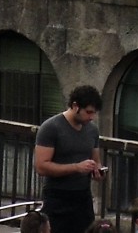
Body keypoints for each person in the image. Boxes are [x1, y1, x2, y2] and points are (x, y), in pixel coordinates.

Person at [33, 84, 103, 233]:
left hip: (83, 196)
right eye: (88, 112)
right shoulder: (51, 128)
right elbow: (41, 166)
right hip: (57, 196)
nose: (91, 117)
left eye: (94, 113)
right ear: (75, 106)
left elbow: (96, 159)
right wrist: (76, 167)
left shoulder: (92, 130)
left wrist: (97, 170)